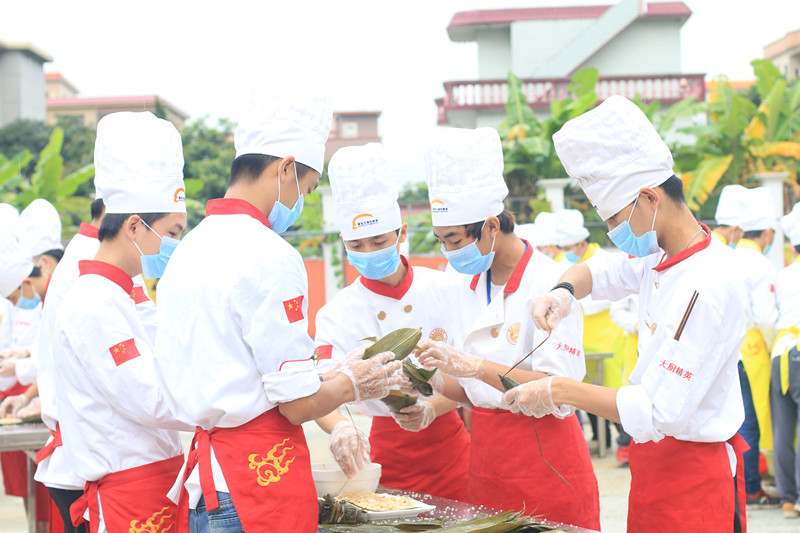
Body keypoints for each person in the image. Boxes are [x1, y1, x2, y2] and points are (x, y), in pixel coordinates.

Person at [153, 74, 404, 533]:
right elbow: (295, 405)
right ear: (287, 168)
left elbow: (242, 370)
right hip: (252, 482)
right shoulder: (269, 253)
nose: (301, 202)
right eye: (307, 189)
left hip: (208, 480)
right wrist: (353, 383)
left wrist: (330, 374)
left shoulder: (189, 247)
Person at [506, 96, 748, 532]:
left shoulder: (707, 283)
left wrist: (559, 389)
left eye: (616, 218)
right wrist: (562, 293)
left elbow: (656, 411)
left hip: (692, 478)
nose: (615, 232)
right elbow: (599, 269)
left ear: (650, 197)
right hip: (654, 467)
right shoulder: (659, 252)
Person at [416, 127, 600, 528]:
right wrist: (423, 378)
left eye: (454, 240)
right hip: (487, 457)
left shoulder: (550, 286)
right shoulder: (463, 284)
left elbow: (559, 392)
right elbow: (469, 391)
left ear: (491, 227)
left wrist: (472, 365)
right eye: (441, 241)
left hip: (546, 459)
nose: (449, 252)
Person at [50, 112, 193, 533]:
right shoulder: (94, 302)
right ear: (134, 225)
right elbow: (152, 398)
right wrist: (232, 399)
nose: (175, 245)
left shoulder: (119, 292)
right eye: (173, 231)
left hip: (154, 483)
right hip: (132, 495)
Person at [314, 143, 470, 500]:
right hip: (383, 450)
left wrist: (431, 407)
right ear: (343, 242)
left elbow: (471, 374)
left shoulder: (447, 289)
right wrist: (339, 427)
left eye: (378, 240)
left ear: (401, 233)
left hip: (452, 450)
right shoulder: (338, 311)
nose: (368, 252)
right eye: (357, 244)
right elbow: (319, 387)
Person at [555, 209, 626, 451]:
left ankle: (624, 439)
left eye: (570, 247)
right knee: (587, 394)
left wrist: (578, 301)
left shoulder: (603, 260)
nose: (567, 252)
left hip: (609, 342)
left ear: (582, 243)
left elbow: (609, 298)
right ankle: (599, 437)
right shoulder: (566, 265)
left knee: (612, 392)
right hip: (583, 342)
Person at [734, 186, 780, 508]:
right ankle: (751, 488)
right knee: (752, 419)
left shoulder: (728, 256)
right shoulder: (762, 266)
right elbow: (766, 318)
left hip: (727, 344)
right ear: (767, 232)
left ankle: (741, 483)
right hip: (751, 346)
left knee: (734, 418)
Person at [769, 202, 800, 519]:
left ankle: (788, 499)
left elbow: (769, 316)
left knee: (783, 427)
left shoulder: (783, 275)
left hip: (781, 352)